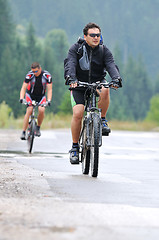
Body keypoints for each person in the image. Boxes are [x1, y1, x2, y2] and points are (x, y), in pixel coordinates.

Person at [64, 22, 122, 164]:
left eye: (98, 35)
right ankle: (75, 147)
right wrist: (71, 78)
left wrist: (116, 78)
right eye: (92, 35)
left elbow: (111, 65)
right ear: (85, 36)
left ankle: (102, 120)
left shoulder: (103, 50)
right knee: (78, 113)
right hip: (78, 84)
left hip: (97, 81)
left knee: (106, 89)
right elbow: (70, 63)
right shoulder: (76, 48)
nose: (96, 37)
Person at [19, 62, 52, 140]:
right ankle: (23, 132)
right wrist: (21, 98)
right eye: (33, 71)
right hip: (30, 95)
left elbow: (49, 89)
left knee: (41, 109)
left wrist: (49, 100)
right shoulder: (29, 75)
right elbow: (23, 87)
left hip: (41, 96)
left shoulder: (47, 75)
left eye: (36, 71)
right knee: (29, 110)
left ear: (40, 69)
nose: (34, 73)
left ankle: (38, 127)